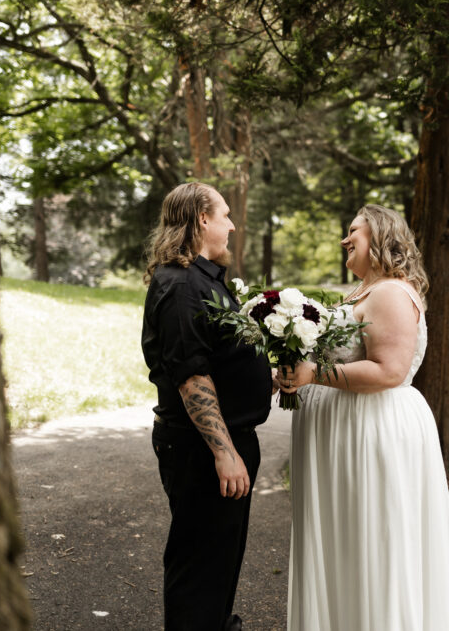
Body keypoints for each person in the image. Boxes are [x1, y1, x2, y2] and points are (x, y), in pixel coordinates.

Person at [280, 204, 449, 630]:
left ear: (380, 237)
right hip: (340, 434)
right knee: (342, 544)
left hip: (372, 431)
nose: (345, 239)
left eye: (353, 232)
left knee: (371, 541)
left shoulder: (392, 294)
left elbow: (390, 371)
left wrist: (315, 374)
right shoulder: (359, 292)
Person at [142, 182, 273, 631]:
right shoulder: (179, 285)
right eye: (225, 215)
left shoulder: (204, 279)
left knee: (219, 567)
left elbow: (217, 360)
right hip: (202, 450)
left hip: (225, 442)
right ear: (201, 218)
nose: (232, 225)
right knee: (198, 572)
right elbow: (190, 376)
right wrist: (223, 452)